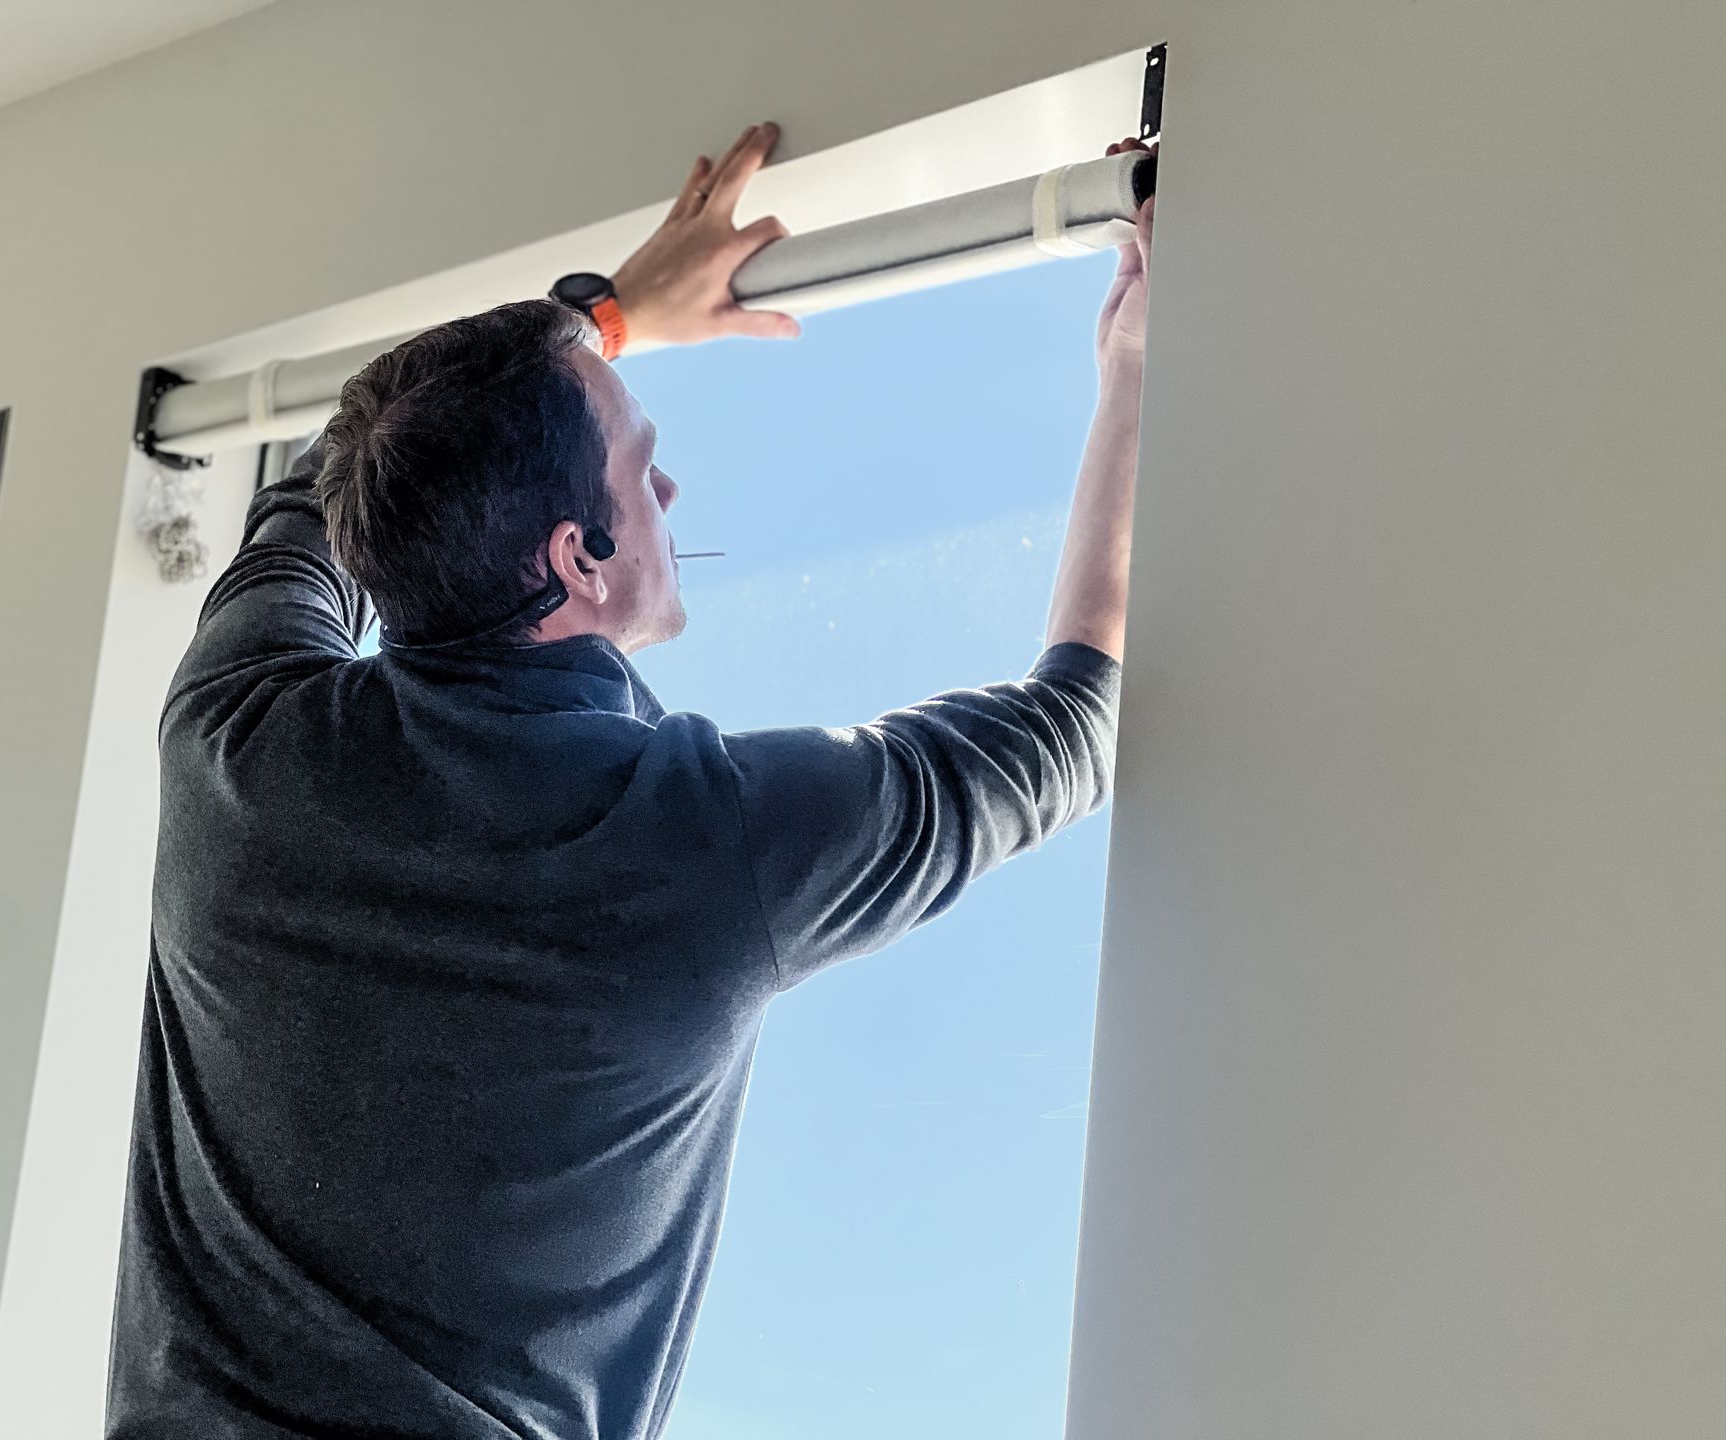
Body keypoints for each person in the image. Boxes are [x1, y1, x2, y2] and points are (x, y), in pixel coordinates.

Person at [105, 121, 1154, 1440]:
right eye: (636, 459)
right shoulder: (709, 847)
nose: (667, 478)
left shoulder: (234, 742)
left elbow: (326, 483)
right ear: (577, 560)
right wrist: (1131, 372)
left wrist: (599, 318)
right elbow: (1078, 716)